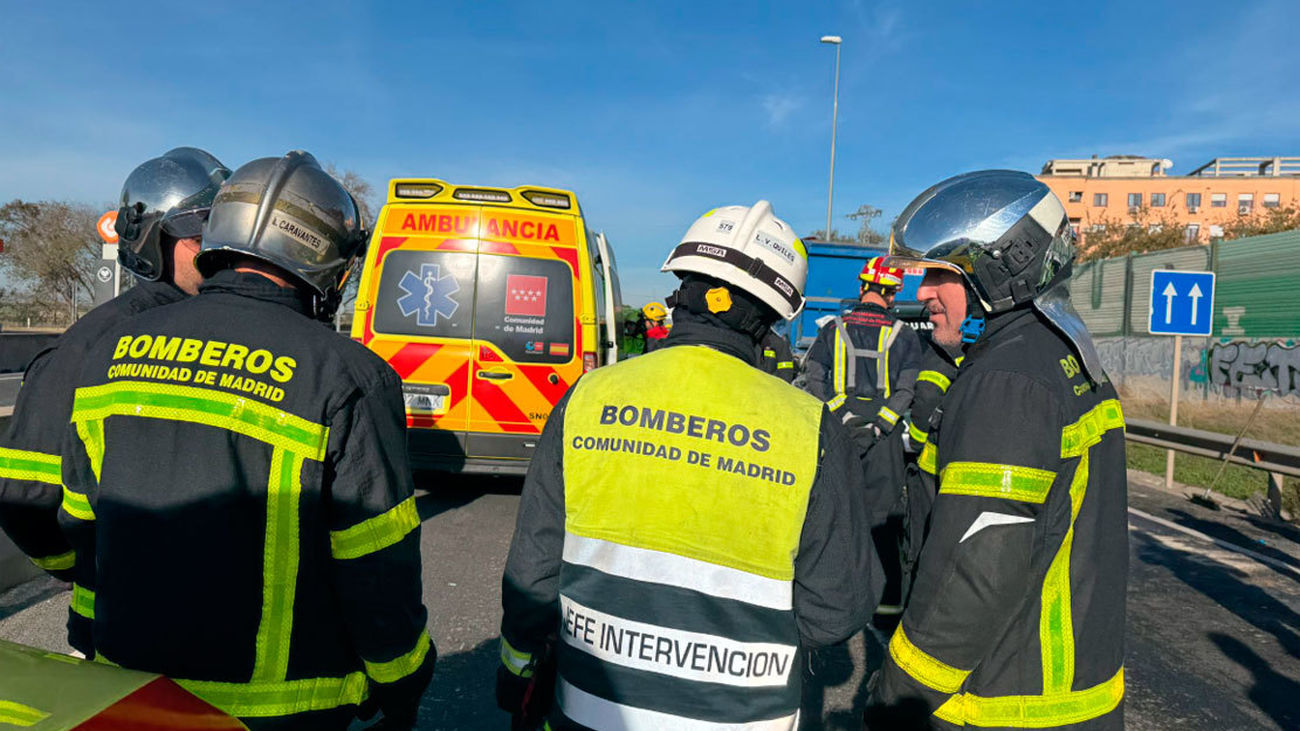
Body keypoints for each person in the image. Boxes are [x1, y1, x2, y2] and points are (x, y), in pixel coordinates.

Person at [57, 151, 434, 730]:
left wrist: (89, 635)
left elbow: (86, 522)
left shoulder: (110, 351)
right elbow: (374, 557)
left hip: (128, 694)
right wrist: (402, 679)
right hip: (281, 709)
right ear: (327, 259)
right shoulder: (348, 375)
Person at [496, 200, 880, 730]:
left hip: (591, 707)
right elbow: (839, 606)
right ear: (772, 317)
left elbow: (532, 575)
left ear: (679, 290)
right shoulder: (810, 427)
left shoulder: (590, 397)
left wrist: (517, 671)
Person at [865, 170, 1127, 729]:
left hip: (1005, 702)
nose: (922, 293)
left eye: (940, 275)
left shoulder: (1007, 380)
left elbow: (975, 569)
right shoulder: (1062, 354)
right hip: (1070, 696)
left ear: (999, 267)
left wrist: (897, 696)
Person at [0, 148, 229, 600]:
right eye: (202, 236)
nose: (219, 252)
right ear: (150, 240)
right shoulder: (91, 344)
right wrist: (88, 569)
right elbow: (26, 492)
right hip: (123, 619)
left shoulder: (233, 329)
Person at [804, 256, 923, 625]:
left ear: (862, 287)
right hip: (884, 442)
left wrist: (845, 417)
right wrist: (878, 427)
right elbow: (908, 389)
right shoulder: (904, 334)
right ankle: (885, 612)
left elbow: (813, 378)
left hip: (839, 433)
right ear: (892, 294)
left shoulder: (832, 328)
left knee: (833, 516)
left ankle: (830, 605)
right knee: (883, 524)